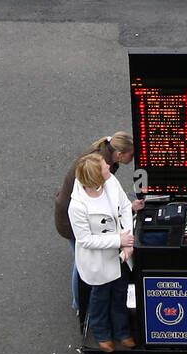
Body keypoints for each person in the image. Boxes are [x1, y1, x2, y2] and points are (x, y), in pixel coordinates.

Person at [55, 133, 135, 312]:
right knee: (83, 261)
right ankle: (81, 305)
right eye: (131, 155)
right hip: (70, 221)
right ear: (120, 155)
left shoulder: (104, 155)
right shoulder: (98, 166)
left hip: (70, 212)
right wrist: (119, 239)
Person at [68, 152, 135, 352]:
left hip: (120, 256)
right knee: (100, 297)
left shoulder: (111, 182)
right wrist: (119, 240)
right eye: (105, 166)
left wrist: (127, 241)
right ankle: (102, 333)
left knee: (120, 293)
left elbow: (124, 207)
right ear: (95, 177)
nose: (109, 166)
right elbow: (85, 240)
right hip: (99, 262)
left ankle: (122, 332)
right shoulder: (77, 206)